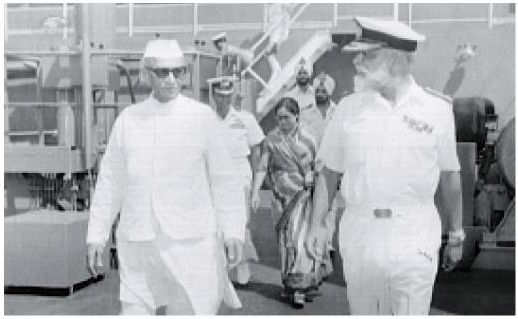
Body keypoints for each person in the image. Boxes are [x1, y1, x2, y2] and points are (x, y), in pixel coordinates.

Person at [307, 16, 465, 315]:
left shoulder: (437, 111)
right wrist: (316, 226)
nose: (358, 61)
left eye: (368, 55)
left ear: (394, 60)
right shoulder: (348, 109)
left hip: (413, 235)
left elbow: (449, 175)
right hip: (361, 234)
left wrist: (456, 234)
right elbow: (328, 173)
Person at [86, 39, 246, 315]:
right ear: (148, 74)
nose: (172, 79)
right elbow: (111, 182)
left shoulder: (201, 117)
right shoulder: (128, 120)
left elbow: (225, 180)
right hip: (140, 241)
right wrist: (96, 235)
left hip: (191, 243)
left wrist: (233, 231)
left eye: (178, 71)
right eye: (163, 73)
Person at [250, 97, 331, 308]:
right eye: (279, 118)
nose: (282, 122)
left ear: (297, 116)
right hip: (280, 196)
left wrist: (311, 176)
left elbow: (320, 168)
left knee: (300, 240)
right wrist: (256, 192)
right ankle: (289, 283)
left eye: (286, 118)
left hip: (303, 196)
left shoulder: (309, 139)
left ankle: (300, 288)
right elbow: (262, 167)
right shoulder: (272, 140)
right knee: (286, 243)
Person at [210, 76, 265, 285]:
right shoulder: (207, 120)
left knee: (241, 226)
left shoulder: (245, 119)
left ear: (233, 95)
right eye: (220, 96)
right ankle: (221, 270)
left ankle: (242, 266)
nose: (224, 100)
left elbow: (257, 153)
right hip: (215, 181)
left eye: (227, 95)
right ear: (213, 95)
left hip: (240, 179)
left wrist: (255, 189)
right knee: (216, 225)